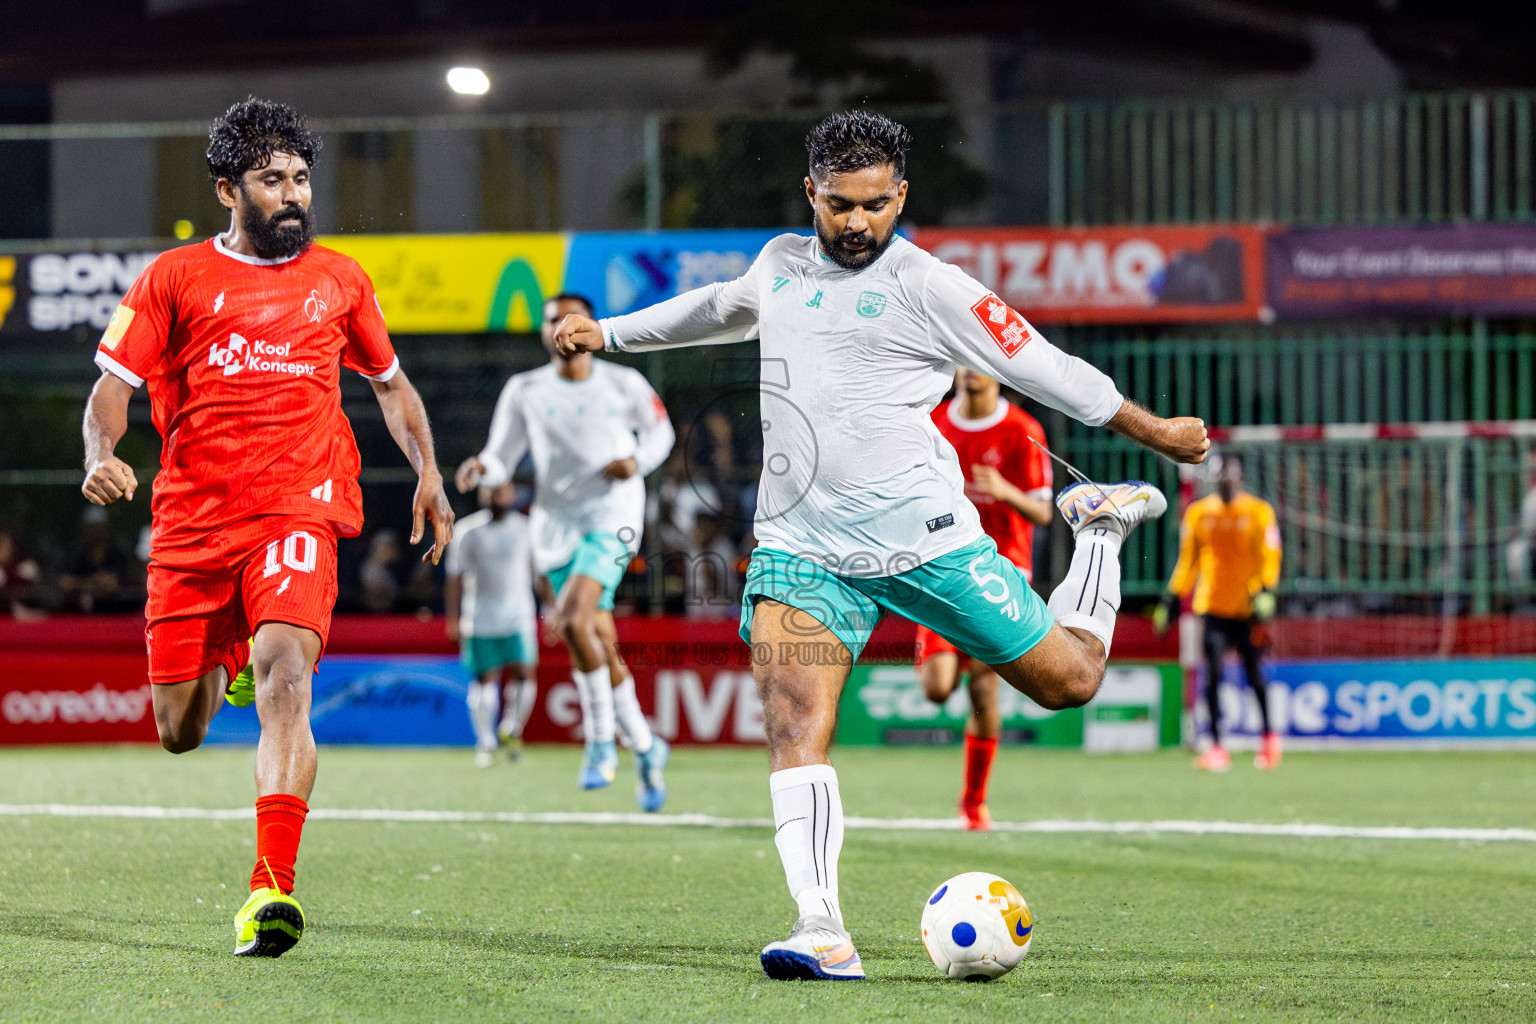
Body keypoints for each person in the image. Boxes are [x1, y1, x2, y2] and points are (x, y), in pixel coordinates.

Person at [554, 110, 1209, 981]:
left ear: (901, 193)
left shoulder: (932, 286)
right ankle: (821, 927)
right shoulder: (781, 263)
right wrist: (614, 333)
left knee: (1070, 683)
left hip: (925, 542)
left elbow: (1043, 365)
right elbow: (717, 308)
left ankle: (1099, 533)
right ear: (811, 194)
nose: (856, 223)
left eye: (873, 204)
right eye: (838, 205)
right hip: (800, 546)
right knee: (792, 723)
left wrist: (1152, 429)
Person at [80, 98, 453, 959]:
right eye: (271, 181)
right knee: (180, 731)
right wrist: (101, 452)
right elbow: (112, 387)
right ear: (227, 191)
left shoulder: (339, 279)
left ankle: (270, 889)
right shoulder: (173, 278)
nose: (293, 196)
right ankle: (222, 654)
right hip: (193, 522)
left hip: (300, 506)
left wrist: (429, 470)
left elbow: (391, 386)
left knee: (287, 674)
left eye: (300, 180)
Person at [456, 292, 675, 810]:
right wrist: (482, 469)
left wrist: (636, 460)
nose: (560, 328)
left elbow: (661, 434)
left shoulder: (624, 383)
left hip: (614, 518)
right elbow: (501, 455)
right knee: (596, 634)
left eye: (569, 319)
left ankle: (601, 742)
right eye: (551, 320)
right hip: (556, 529)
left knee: (575, 620)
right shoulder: (525, 389)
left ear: (589, 328)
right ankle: (645, 746)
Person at [917, 368, 1053, 831]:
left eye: (978, 361)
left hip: (1002, 570)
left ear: (996, 372)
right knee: (936, 688)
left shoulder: (1022, 430)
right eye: (961, 360)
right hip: (941, 564)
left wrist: (1004, 490)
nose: (969, 370)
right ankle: (952, 656)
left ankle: (973, 804)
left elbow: (1043, 511)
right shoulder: (933, 422)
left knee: (982, 689)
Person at [1158, 453, 1281, 772]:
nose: (1226, 478)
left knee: (1255, 673)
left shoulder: (1258, 511)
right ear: (1212, 478)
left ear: (1240, 476)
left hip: (1247, 606)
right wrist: (1173, 598)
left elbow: (1270, 556)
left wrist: (1266, 590)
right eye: (1220, 473)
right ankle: (1216, 745)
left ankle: (1269, 739)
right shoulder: (1199, 514)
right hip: (1211, 606)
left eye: (1231, 472)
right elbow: (1188, 561)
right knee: (1212, 675)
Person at [444, 482, 538, 767]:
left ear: (511, 494)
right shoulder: (467, 531)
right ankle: (485, 742)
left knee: (524, 673)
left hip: (519, 616)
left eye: (502, 490)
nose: (497, 496)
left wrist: (551, 608)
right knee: (485, 678)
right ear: (481, 494)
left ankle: (511, 728)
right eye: (490, 491)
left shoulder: (526, 528)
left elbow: (540, 572)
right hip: (480, 617)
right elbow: (455, 578)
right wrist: (453, 618)